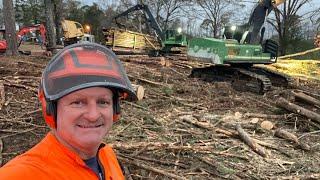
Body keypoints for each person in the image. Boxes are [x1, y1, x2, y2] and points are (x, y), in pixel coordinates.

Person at [0, 42, 137, 180]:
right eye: (78, 102)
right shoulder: (20, 175)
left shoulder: (107, 155)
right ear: (51, 110)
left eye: (103, 102)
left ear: (115, 110)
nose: (93, 115)